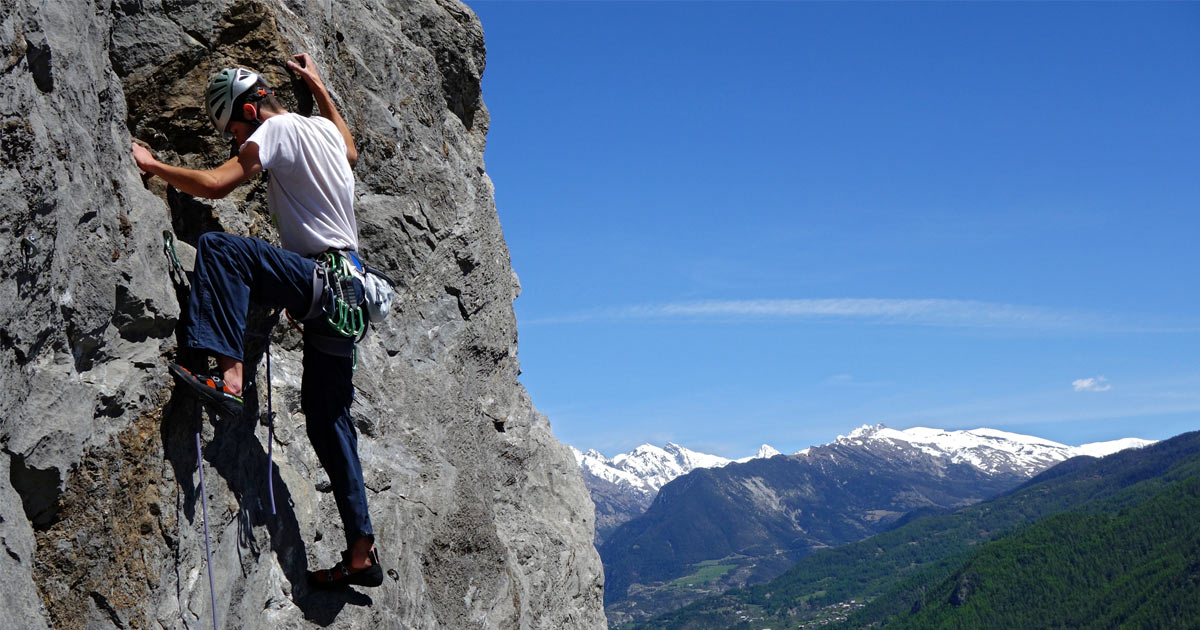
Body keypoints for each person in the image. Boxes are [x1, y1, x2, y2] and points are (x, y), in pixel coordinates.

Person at [132, 54, 381, 589]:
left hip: (320, 281)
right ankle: (361, 547)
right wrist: (316, 84)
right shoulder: (321, 129)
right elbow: (351, 147)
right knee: (328, 420)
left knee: (222, 250)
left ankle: (229, 377)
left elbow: (216, 184)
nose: (236, 143)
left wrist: (152, 167)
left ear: (249, 110)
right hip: (349, 297)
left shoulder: (274, 131)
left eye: (236, 131)